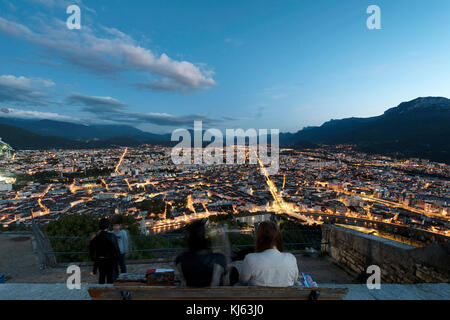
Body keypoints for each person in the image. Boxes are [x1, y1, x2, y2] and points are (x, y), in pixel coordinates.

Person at [239, 221, 299, 287]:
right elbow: (295, 280)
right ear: (278, 238)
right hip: (286, 297)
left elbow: (243, 281)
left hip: (258, 297)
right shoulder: (291, 258)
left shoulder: (250, 259)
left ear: (259, 238)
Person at [175, 219, 228, 287]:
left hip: (189, 297)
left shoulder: (180, 259)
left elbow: (183, 283)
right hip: (213, 296)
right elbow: (223, 283)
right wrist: (223, 240)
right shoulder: (218, 259)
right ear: (207, 239)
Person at [89, 217, 120, 284]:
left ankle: (101, 291)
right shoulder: (112, 236)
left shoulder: (95, 237)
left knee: (101, 276)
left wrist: (94, 259)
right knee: (110, 277)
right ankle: (109, 292)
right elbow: (116, 249)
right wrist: (117, 259)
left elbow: (92, 249)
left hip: (100, 259)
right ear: (108, 226)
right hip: (110, 259)